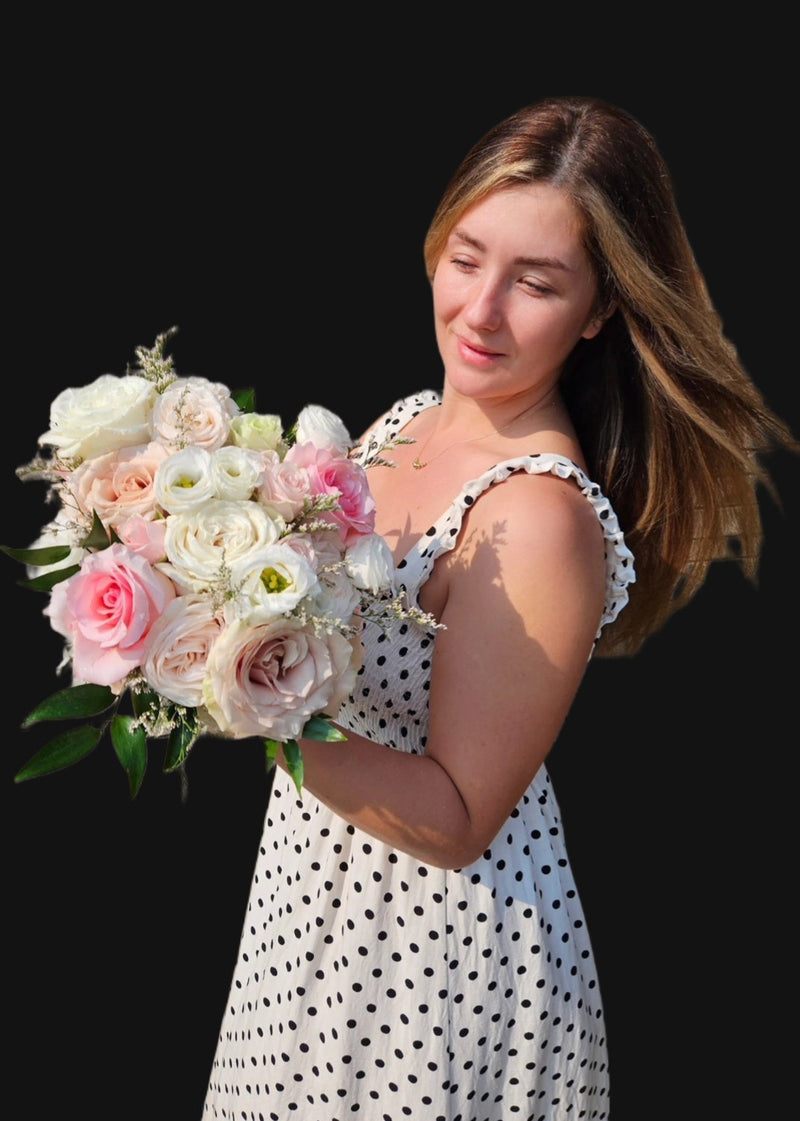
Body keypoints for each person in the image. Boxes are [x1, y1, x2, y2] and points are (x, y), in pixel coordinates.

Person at [202, 95, 797, 1121]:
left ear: (600, 308)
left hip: (424, 966)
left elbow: (453, 817)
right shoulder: (406, 421)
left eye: (535, 282)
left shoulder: (535, 514)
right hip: (313, 914)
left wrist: (228, 691)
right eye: (467, 256)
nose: (479, 311)